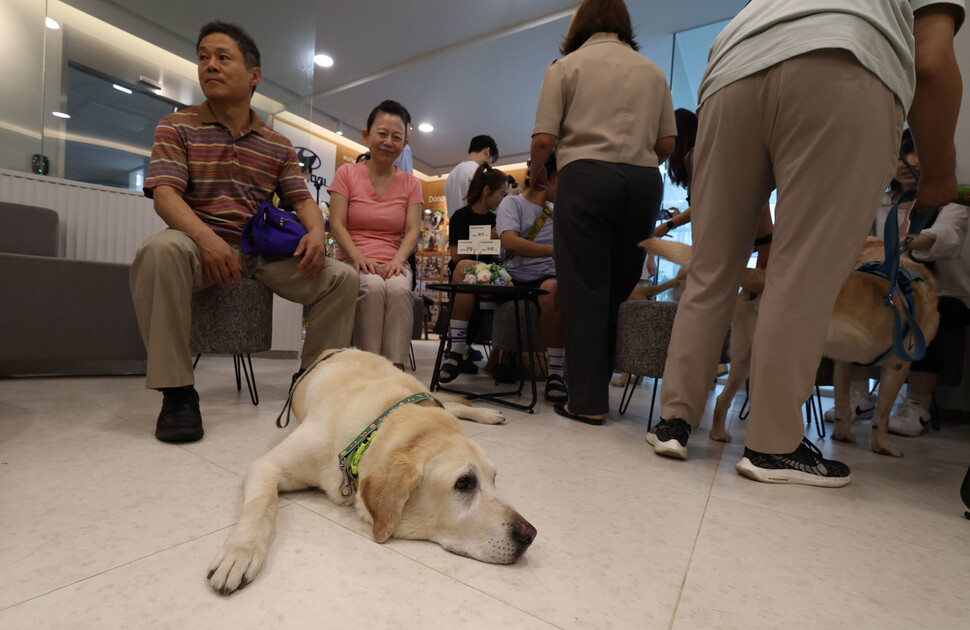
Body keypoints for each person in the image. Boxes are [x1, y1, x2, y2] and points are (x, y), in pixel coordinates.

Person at [647, 0, 963, 488]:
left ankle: (674, 421)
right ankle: (773, 445)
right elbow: (932, 61)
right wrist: (941, 171)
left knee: (711, 269)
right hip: (843, 62)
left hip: (730, 72)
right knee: (803, 273)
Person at [129, 21, 358, 444]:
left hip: (260, 250)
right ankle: (178, 393)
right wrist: (206, 239)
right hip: (198, 245)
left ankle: (311, 388)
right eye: (203, 57)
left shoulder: (278, 143)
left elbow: (302, 200)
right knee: (159, 251)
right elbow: (165, 197)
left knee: (342, 278)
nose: (209, 66)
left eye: (222, 57)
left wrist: (315, 233)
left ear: (253, 75)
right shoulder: (176, 126)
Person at [530, 0, 676, 424]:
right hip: (644, 183)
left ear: (580, 23)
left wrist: (537, 170)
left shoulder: (565, 67)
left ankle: (587, 401)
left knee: (583, 290)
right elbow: (667, 145)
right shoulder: (654, 71)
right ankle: (600, 384)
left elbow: (543, 139)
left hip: (586, 176)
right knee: (616, 288)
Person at [828, 130, 970, 435]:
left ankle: (917, 405)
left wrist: (899, 242)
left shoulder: (952, 200)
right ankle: (859, 395)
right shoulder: (880, 201)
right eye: (900, 155)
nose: (907, 163)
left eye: (916, 153)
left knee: (931, 312)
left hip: (942, 293)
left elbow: (947, 237)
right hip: (886, 288)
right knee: (856, 305)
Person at [329, 99, 423, 370]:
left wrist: (398, 261)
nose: (388, 142)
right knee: (371, 286)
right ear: (366, 135)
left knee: (399, 288)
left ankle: (394, 370)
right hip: (352, 259)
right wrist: (357, 256)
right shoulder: (347, 173)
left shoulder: (411, 183)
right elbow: (337, 223)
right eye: (382, 134)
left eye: (397, 137)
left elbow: (413, 230)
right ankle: (368, 370)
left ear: (404, 144)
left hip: (393, 261)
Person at [654, 108, 773, 269]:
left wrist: (669, 224)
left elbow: (705, 203)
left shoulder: (697, 157)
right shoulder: (704, 155)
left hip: (735, 230)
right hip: (748, 226)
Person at [496, 153, 568, 403]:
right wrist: (551, 251)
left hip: (546, 277)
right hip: (514, 276)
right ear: (551, 178)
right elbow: (510, 243)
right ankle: (458, 351)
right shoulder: (511, 204)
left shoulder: (559, 211)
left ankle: (556, 373)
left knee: (553, 290)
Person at [437, 164, 508, 382]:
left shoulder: (497, 219)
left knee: (465, 279)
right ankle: (459, 349)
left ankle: (457, 350)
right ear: (487, 190)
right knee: (464, 274)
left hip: (490, 278)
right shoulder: (460, 216)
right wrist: (488, 238)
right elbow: (457, 255)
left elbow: (499, 258)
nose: (502, 199)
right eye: (500, 194)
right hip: (467, 275)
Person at [445, 135, 499, 217]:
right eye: (491, 161)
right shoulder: (479, 172)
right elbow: (487, 206)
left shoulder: (451, 175)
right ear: (487, 151)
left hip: (455, 227)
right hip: (475, 227)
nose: (489, 165)